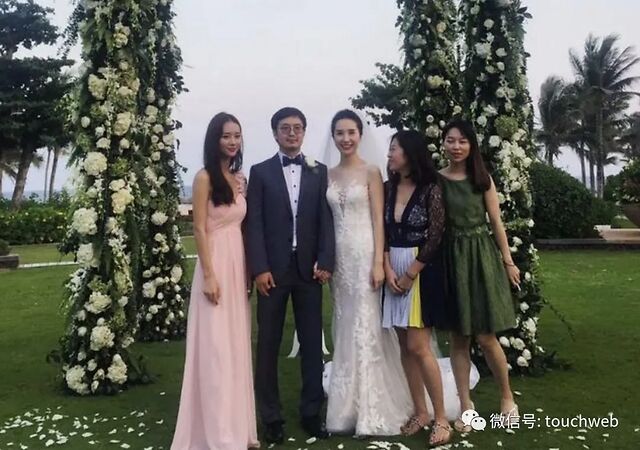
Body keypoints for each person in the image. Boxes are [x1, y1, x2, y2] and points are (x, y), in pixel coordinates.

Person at [246, 107, 335, 444]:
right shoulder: (260, 172)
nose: (292, 133)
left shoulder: (319, 171)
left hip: (309, 271)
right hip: (272, 272)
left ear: (304, 132)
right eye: (285, 128)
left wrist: (326, 259)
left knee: (312, 345)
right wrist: (259, 268)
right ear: (275, 133)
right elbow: (254, 224)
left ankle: (311, 413)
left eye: (298, 128)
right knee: (268, 345)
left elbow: (326, 220)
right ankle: (271, 418)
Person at [171, 112, 259, 449]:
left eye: (237, 135)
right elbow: (198, 228)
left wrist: (248, 271)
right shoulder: (204, 177)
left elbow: (243, 227)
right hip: (215, 265)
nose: (233, 141)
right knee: (215, 349)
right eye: (226, 136)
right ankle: (216, 433)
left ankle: (239, 428)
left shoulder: (239, 178)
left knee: (236, 346)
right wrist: (208, 275)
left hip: (237, 266)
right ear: (214, 139)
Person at [324, 109, 413, 437]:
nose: (345, 138)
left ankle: (372, 407)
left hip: (365, 256)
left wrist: (378, 262)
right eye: (339, 133)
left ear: (360, 135)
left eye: (351, 132)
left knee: (367, 324)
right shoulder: (327, 175)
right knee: (345, 323)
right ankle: (345, 406)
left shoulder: (372, 172)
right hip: (340, 261)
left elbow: (379, 220)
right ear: (333, 137)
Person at [439, 119, 520, 432]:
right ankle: (465, 406)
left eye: (462, 141)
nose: (456, 146)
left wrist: (508, 261)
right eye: (450, 140)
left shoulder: (481, 179)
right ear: (443, 144)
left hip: (480, 258)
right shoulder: (437, 180)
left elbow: (496, 222)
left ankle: (507, 397)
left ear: (471, 145)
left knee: (486, 337)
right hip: (451, 258)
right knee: (458, 338)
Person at [382, 130, 453, 446]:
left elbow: (436, 235)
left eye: (394, 149)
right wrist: (387, 268)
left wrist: (411, 272)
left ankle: (441, 418)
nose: (389, 154)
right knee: (404, 346)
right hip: (392, 267)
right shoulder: (388, 188)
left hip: (420, 269)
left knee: (419, 346)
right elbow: (382, 231)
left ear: (410, 153)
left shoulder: (430, 189)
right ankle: (420, 411)